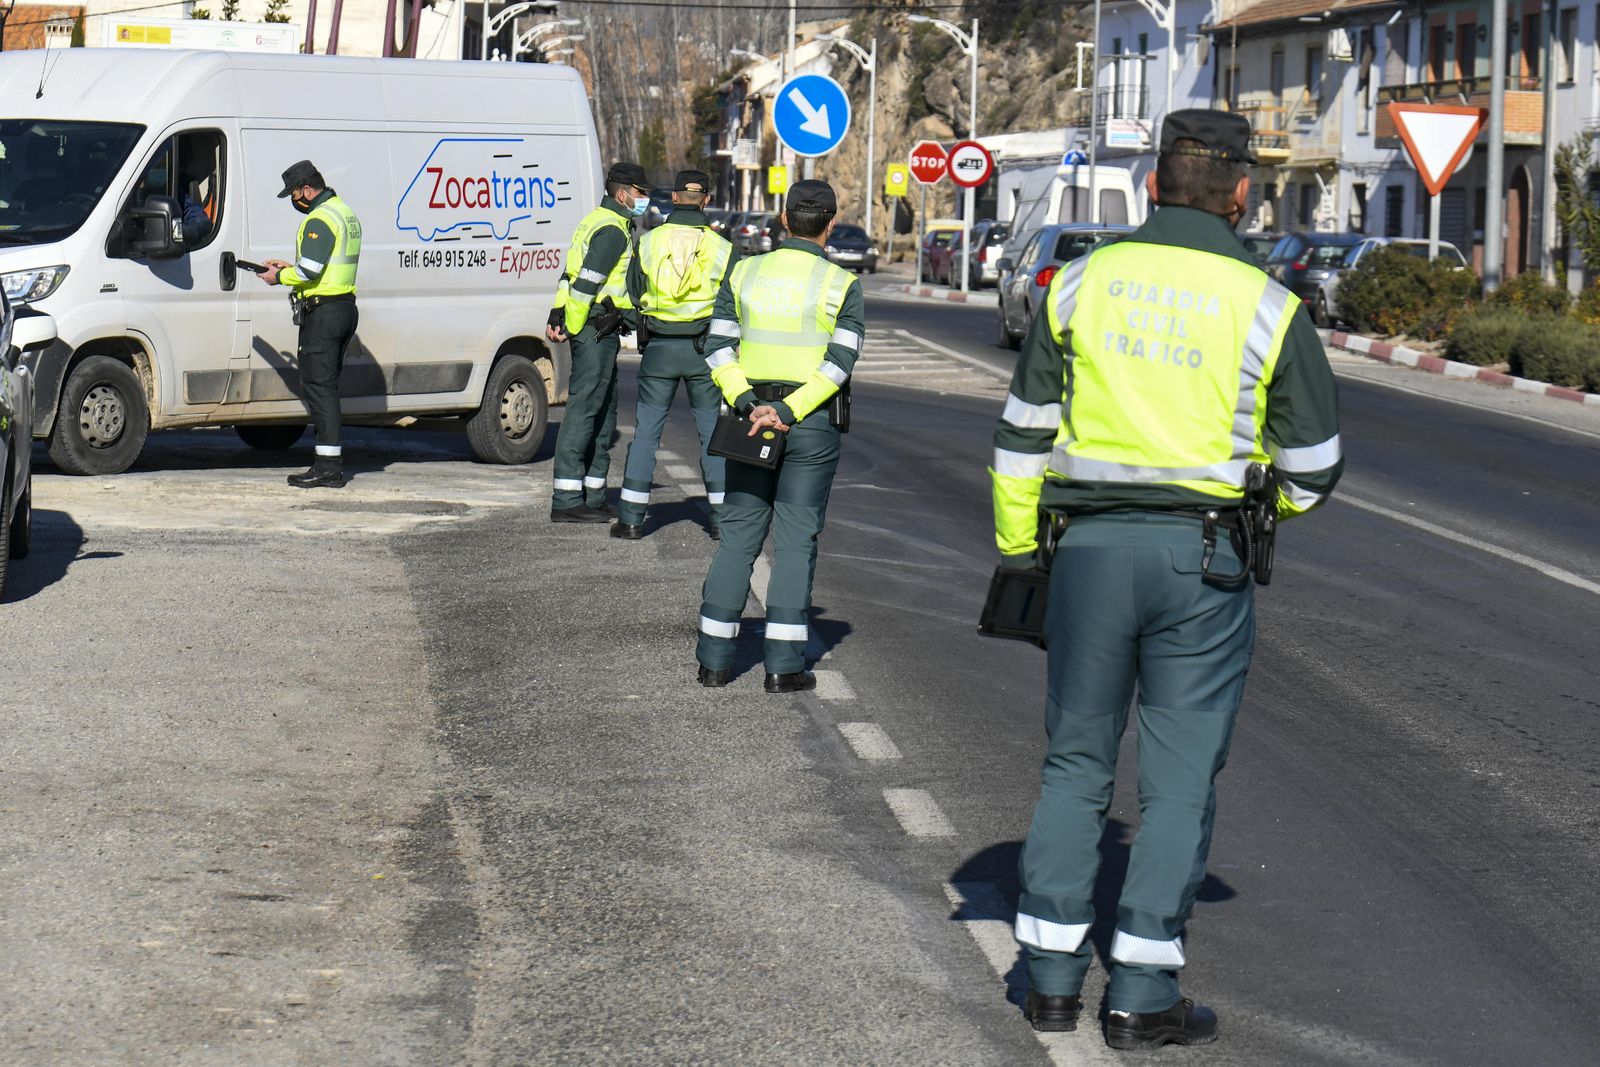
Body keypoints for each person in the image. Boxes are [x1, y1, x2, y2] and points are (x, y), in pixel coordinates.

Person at [990, 110, 1342, 1049]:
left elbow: (1022, 435)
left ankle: (1052, 979)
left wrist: (1023, 552)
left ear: (1151, 185)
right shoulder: (1267, 305)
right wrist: (1257, 502)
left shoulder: (1077, 283)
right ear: (1240, 193)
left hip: (1087, 557)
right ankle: (1142, 991)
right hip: (1205, 560)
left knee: (1076, 762)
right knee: (1179, 777)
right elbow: (1314, 463)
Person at [694, 179, 863, 694]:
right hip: (809, 424)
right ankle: (784, 667)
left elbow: (717, 349)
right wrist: (787, 410)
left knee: (739, 534)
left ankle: (713, 662)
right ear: (831, 225)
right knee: (795, 541)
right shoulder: (841, 284)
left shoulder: (743, 272)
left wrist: (751, 405)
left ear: (784, 219)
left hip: (749, 421)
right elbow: (839, 364)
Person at [612, 169, 738, 541]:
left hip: (660, 349)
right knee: (712, 433)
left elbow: (634, 291)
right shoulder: (722, 247)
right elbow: (733, 302)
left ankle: (632, 518)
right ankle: (719, 519)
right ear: (707, 200)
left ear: (673, 197)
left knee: (647, 431)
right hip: (705, 350)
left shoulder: (649, 241)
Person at [546, 162, 652, 523]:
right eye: (640, 194)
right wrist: (577, 328)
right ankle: (566, 498)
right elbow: (587, 284)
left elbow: (568, 274)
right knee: (584, 410)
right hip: (595, 330)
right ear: (623, 194)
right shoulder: (612, 231)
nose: (644, 201)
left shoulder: (598, 220)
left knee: (605, 413)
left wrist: (558, 311)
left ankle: (592, 495)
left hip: (598, 328)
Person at [258, 159, 363, 489]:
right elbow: (322, 265)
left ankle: (328, 466)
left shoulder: (319, 219)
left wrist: (280, 276)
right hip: (343, 306)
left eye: (293, 193)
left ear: (307, 189)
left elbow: (310, 272)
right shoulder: (342, 210)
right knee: (326, 386)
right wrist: (292, 266)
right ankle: (328, 462)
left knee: (319, 388)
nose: (294, 201)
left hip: (325, 312)